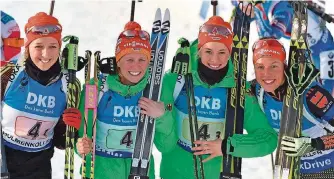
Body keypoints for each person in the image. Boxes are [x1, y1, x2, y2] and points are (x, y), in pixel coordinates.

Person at [159, 16, 278, 179]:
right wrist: (162, 117)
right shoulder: (175, 81)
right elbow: (163, 145)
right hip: (175, 173)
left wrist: (227, 146)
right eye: (208, 51)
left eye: (222, 52)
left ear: (230, 53)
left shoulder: (238, 88)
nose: (215, 60)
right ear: (199, 50)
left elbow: (268, 139)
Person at [75, 21, 176, 179]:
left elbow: (167, 146)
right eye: (129, 59)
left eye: (142, 60)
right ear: (118, 61)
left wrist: (162, 116)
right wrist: (81, 146)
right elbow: (81, 136)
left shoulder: (156, 90)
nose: (136, 67)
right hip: (100, 173)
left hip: (140, 172)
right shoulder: (97, 87)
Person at [0, 12, 82, 179]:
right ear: (28, 48)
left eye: (53, 46)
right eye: (38, 46)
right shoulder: (8, 75)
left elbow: (61, 142)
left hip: (40, 169)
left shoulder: (69, 84)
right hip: (4, 164)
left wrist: (71, 127)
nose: (46, 54)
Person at [251, 37, 334, 178]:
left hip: (328, 170)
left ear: (284, 66)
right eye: (260, 67)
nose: (267, 73)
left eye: (274, 66)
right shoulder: (258, 91)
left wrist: (312, 144)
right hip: (291, 171)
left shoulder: (311, 94)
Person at [232, 0, 334, 96]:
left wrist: (258, 9)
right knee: (316, 92)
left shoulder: (282, 8)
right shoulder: (268, 3)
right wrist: (241, 5)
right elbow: (247, 12)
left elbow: (269, 37)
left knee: (327, 90)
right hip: (308, 48)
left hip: (324, 48)